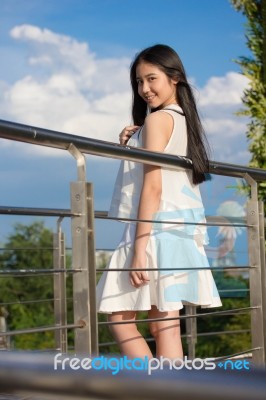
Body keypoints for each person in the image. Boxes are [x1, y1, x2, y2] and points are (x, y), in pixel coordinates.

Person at [96, 44, 222, 360]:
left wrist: (139, 250)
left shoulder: (157, 121)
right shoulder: (181, 120)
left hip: (152, 233)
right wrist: (134, 140)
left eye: (151, 79)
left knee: (121, 321)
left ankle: (150, 389)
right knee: (163, 325)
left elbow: (152, 186)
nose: (144, 89)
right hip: (176, 231)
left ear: (174, 77)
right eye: (139, 82)